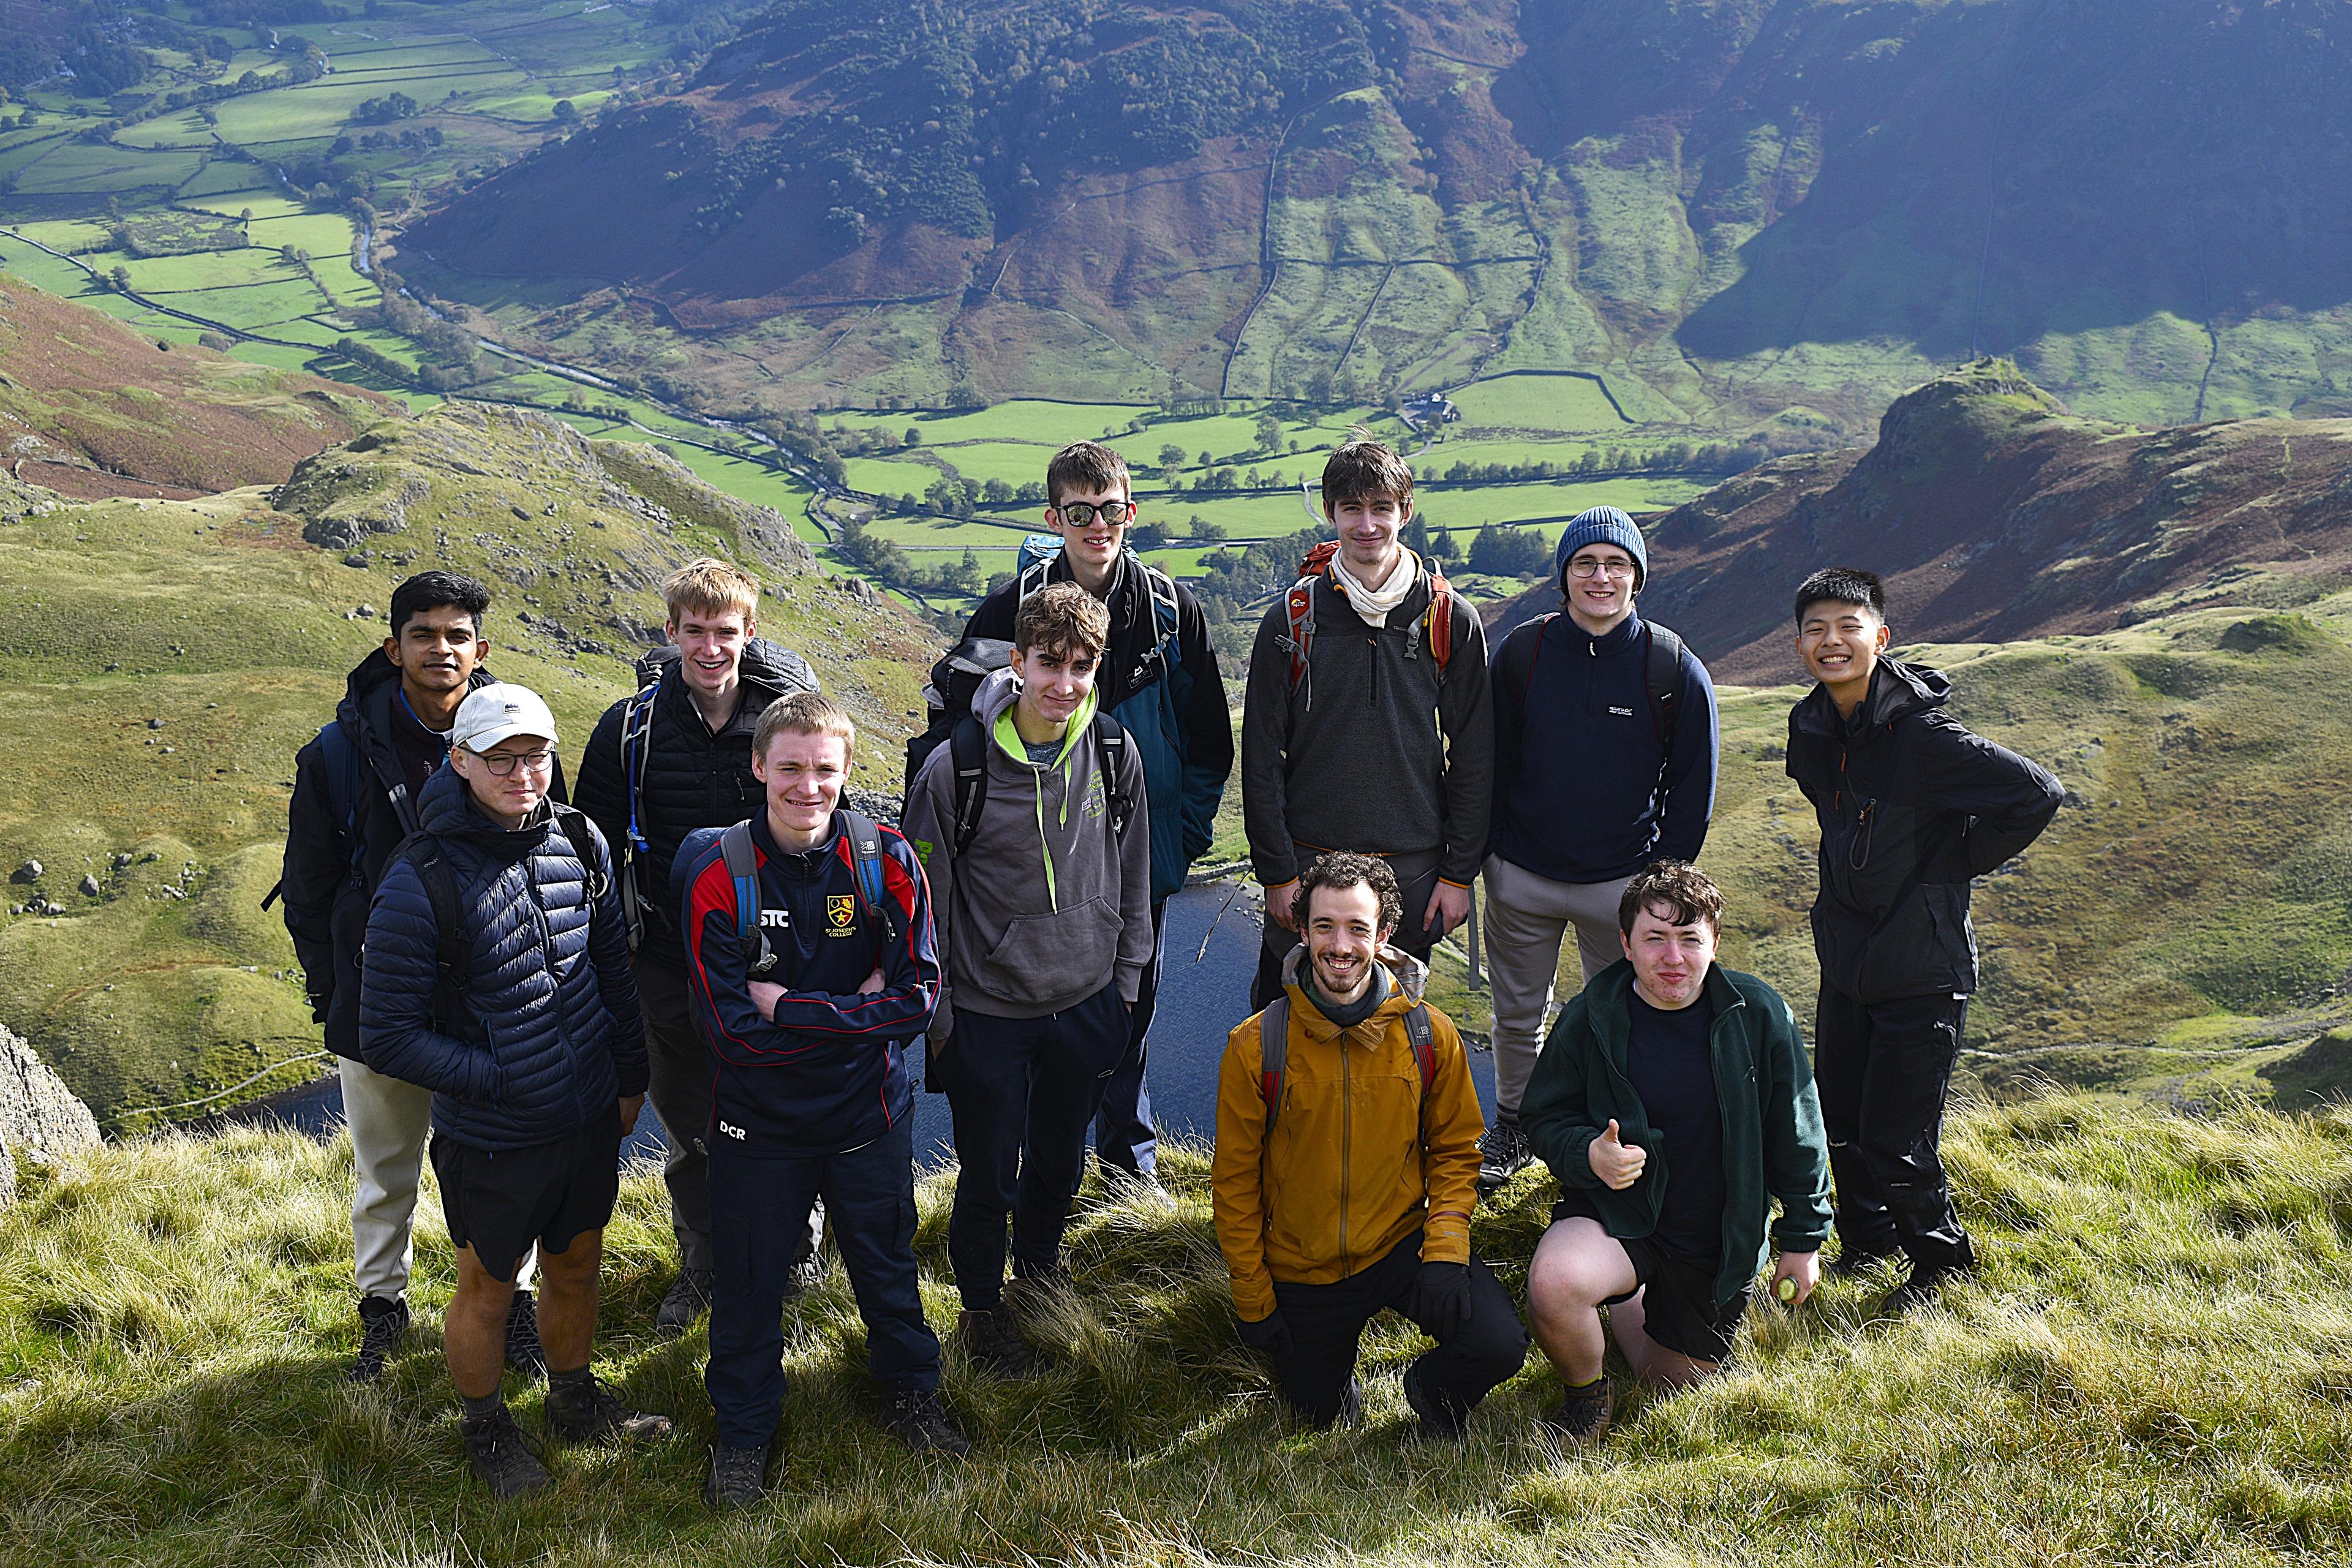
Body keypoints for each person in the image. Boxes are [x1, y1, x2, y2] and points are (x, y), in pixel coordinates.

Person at [361, 682, 671, 1499]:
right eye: (498, 757)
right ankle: (487, 1428)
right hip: (494, 1133)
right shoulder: (419, 878)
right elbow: (385, 1032)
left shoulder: (580, 839)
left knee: (576, 1265)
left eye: (533, 753)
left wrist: (631, 1075)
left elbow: (611, 969)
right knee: (489, 1287)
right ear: (460, 762)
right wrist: (494, 1079)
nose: (519, 771)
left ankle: (573, 1401)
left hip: (585, 1117)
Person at [675, 692, 967, 1507]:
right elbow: (727, 1032)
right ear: (760, 767)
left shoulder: (889, 860)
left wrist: (790, 1007)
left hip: (864, 1113)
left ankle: (911, 1394)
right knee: (748, 1280)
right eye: (792, 768)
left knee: (885, 1264)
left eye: (825, 770)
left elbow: (916, 1003)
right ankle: (743, 1434)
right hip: (755, 1124)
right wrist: (855, 1016)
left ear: (845, 772)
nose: (809, 786)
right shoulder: (716, 871)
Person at [279, 570, 550, 1384]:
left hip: (493, 1003)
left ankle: (515, 1308)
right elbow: (309, 888)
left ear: (482, 650)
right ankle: (382, 1311)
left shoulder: (520, 739)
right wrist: (336, 995)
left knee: (506, 1166)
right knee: (386, 1167)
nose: (442, 648)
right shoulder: (334, 754)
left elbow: (553, 860)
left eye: (457, 635)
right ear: (392, 646)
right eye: (424, 634)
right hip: (380, 1003)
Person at [958, 439, 1231, 1191]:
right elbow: (953, 726)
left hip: (1144, 853)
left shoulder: (1174, 613)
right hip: (1037, 856)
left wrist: (1182, 838)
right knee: (1045, 1015)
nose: (1097, 524)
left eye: (1110, 509)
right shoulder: (1011, 611)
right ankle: (1050, 1166)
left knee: (1129, 1008)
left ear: (1130, 512)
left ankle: (1125, 1161)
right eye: (1080, 511)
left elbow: (1209, 742)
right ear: (1055, 516)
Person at [1787, 568, 2062, 1308]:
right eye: (1817, 629)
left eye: (1849, 626)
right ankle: (1870, 1245)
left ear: (1881, 636)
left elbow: (2037, 794)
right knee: (1840, 1122)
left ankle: (1943, 1266)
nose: (1832, 642)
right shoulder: (1810, 729)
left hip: (1922, 967)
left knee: (1898, 1139)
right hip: (1847, 962)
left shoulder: (1925, 737)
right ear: (1801, 644)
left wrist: (1957, 862)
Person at [902, 582, 1152, 1378]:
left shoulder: (1114, 754)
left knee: (1058, 1164)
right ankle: (981, 1311)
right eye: (1050, 662)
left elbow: (1135, 878)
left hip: (1083, 1004)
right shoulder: (956, 770)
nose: (1065, 682)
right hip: (987, 1015)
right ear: (1018, 661)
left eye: (1083, 666)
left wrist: (1125, 989)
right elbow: (921, 905)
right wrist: (939, 1021)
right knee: (988, 1176)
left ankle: (1040, 1274)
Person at [573, 557, 821, 1337]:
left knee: (784, 1113)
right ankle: (705, 1264)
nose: (710, 647)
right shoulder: (630, 729)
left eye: (725, 631)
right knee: (693, 1127)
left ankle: (793, 1256)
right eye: (694, 631)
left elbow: (827, 823)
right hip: (667, 963)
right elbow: (592, 849)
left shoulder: (788, 720)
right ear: (672, 631)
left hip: (776, 963)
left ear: (751, 633)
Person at [1212, 852, 1526, 1434]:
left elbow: (1457, 1151)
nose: (1340, 946)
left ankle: (1432, 1389)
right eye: (1325, 926)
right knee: (1316, 1419)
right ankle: (1331, 1384)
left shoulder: (1430, 1033)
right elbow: (1234, 1183)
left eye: (1358, 928)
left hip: (1399, 1242)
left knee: (1498, 1344)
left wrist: (1447, 1250)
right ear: (1301, 932)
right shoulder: (1256, 1046)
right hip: (1304, 1266)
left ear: (1384, 937)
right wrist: (1253, 1297)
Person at [1520, 861, 1830, 1446]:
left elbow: (1798, 1133)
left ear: (1714, 944)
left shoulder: (1759, 1014)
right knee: (1555, 1285)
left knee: (1673, 1388)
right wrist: (1589, 1154)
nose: (1673, 958)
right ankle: (1587, 1400)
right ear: (1626, 945)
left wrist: (1803, 1240)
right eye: (1655, 938)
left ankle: (1630, 1305)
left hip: (1711, 1236)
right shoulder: (1591, 1016)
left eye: (1690, 940)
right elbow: (1542, 1117)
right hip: (1620, 1217)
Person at [1479, 506, 1719, 1193]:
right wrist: (1491, 851)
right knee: (1516, 1012)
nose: (1601, 576)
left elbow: (1692, 783)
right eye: (1585, 563)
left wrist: (1661, 886)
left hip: (1623, 887)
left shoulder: (1672, 667)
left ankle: (1618, 1134)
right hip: (1521, 874)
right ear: (1564, 575)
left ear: (1637, 578)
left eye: (1617, 564)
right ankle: (1516, 1127)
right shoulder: (1524, 653)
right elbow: (1487, 760)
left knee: (1624, 1015)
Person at [1240, 439, 1492, 1011]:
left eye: (1382, 508)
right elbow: (1261, 757)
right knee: (1282, 1029)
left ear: (1406, 511)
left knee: (1398, 1039)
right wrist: (1278, 874)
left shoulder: (1449, 618)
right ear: (1331, 512)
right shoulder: (1292, 619)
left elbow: (1475, 756)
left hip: (1413, 870)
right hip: (1308, 868)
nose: (1368, 524)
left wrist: (1457, 876)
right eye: (1352, 508)